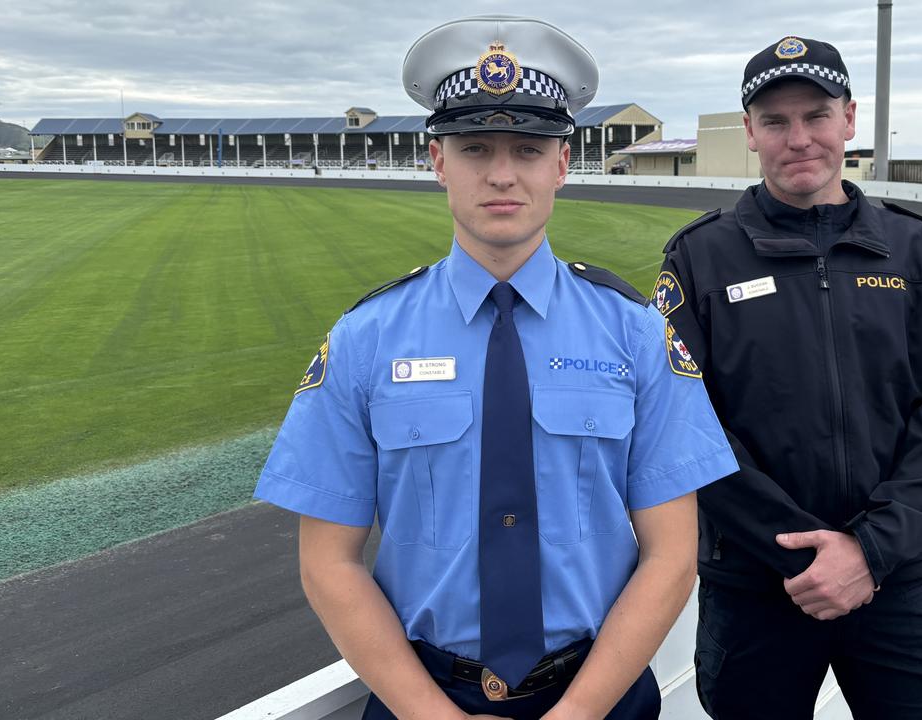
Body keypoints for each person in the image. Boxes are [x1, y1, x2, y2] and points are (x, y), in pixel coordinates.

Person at [254, 16, 737, 720]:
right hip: (423, 697)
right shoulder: (365, 339)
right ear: (438, 161)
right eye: (475, 147)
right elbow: (328, 562)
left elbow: (672, 554)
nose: (502, 173)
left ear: (563, 164)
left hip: (598, 697)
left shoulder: (636, 334)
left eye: (529, 148)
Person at [656, 36, 922, 719]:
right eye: (775, 121)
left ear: (850, 120)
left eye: (816, 115)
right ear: (750, 132)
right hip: (758, 583)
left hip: (899, 578)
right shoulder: (699, 257)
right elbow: (686, 421)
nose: (798, 138)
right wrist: (803, 554)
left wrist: (869, 549)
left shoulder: (918, 248)